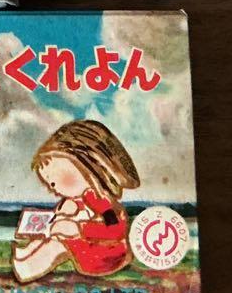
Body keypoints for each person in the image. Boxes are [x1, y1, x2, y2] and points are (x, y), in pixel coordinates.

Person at [12, 120, 140, 283]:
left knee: (56, 246)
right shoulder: (78, 200)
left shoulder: (101, 201)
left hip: (106, 256)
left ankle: (26, 269)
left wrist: (79, 229)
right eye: (50, 183)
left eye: (57, 179)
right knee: (54, 236)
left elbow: (114, 229)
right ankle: (25, 255)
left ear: (89, 166)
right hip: (88, 248)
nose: (53, 188)